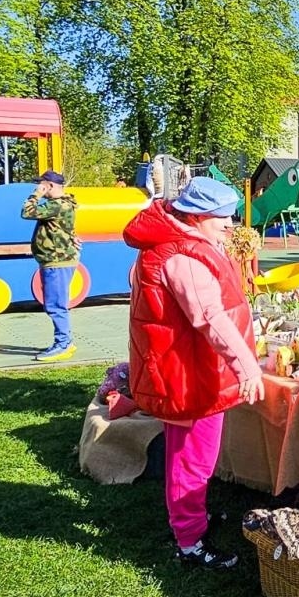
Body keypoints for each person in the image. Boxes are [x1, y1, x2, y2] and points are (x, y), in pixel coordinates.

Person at [124, 177, 265, 569]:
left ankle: (192, 519)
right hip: (189, 375)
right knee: (192, 460)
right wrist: (246, 367)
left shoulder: (179, 243)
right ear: (198, 216)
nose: (230, 224)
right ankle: (189, 541)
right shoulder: (182, 256)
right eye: (223, 217)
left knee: (187, 455)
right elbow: (210, 318)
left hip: (185, 369)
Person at [22, 171, 79, 362]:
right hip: (56, 260)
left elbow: (27, 212)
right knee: (55, 303)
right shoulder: (65, 203)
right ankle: (64, 341)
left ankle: (63, 344)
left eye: (42, 185)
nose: (38, 188)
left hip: (57, 261)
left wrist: (36, 195)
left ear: (51, 186)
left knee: (55, 305)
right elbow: (64, 228)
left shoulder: (56, 205)